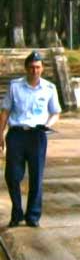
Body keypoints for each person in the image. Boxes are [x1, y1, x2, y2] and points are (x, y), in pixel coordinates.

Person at [0, 50, 61, 228]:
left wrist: (48, 124)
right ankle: (17, 212)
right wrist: (1, 135)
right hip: (17, 135)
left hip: (37, 136)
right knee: (12, 176)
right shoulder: (15, 86)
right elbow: (5, 112)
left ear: (42, 69)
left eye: (38, 67)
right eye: (32, 67)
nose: (35, 71)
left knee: (36, 177)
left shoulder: (49, 88)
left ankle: (33, 216)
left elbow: (56, 112)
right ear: (26, 68)